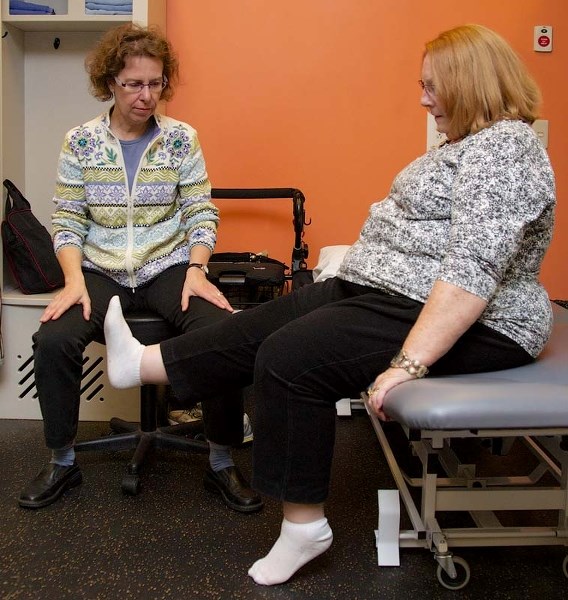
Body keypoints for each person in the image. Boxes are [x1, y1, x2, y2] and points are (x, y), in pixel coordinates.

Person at [103, 24, 555, 585]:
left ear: (470, 84)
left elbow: (472, 273)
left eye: (432, 86)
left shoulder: (506, 149)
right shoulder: (468, 145)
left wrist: (407, 365)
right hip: (393, 292)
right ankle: (144, 364)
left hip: (478, 319)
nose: (422, 98)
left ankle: (304, 527)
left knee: (291, 359)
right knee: (262, 322)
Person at [19, 23, 263, 515]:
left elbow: (200, 210)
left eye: (155, 83)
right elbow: (67, 219)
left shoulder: (180, 140)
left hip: (166, 266)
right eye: (134, 84)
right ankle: (62, 461)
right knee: (52, 339)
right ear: (110, 82)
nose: (147, 95)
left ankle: (220, 460)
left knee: (223, 332)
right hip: (100, 269)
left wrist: (197, 268)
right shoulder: (81, 142)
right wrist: (72, 279)